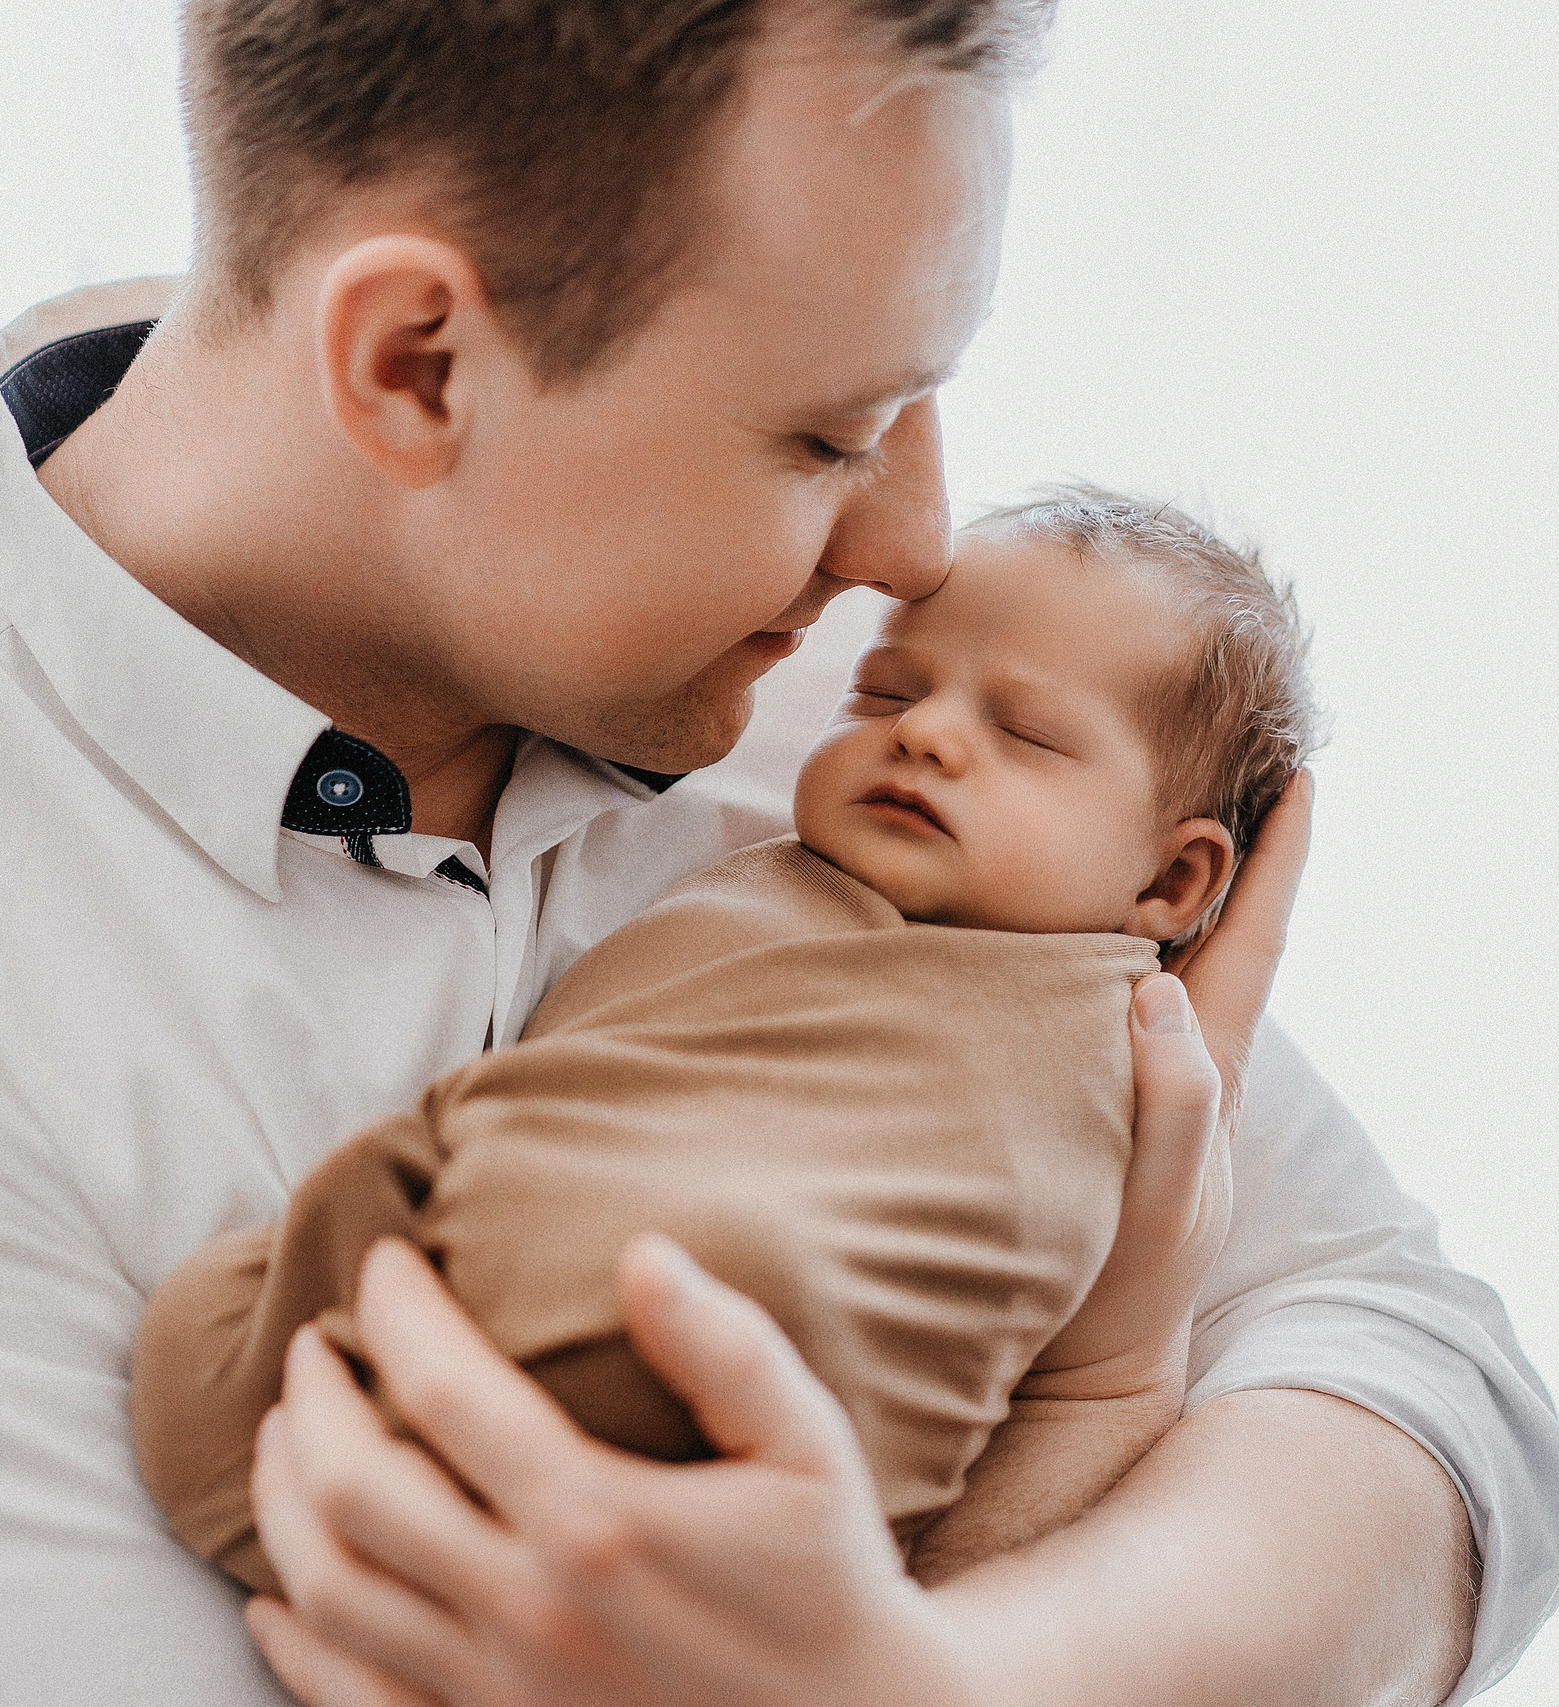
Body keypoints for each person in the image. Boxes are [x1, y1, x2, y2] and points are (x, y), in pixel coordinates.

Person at [0, 2, 1559, 1704]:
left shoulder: (867, 698)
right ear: (416, 364)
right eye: (830, 435)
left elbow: (1437, 1402)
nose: (912, 544)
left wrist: (956, 1671)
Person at [127, 490, 1311, 1597]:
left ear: (1173, 881)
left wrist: (1112, 1374)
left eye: (1027, 734)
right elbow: (587, 1075)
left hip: (760, 1332)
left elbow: (1375, 1329)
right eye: (885, 694)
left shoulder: (1128, 1045)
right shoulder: (750, 867)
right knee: (207, 1331)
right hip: (522, 1229)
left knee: (735, 1268)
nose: (927, 735)